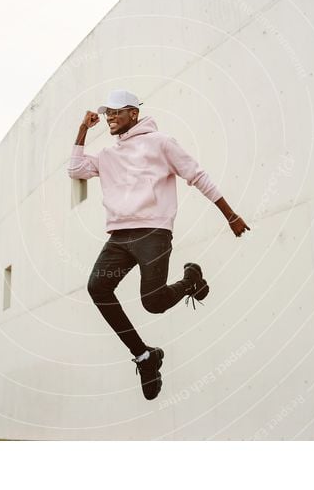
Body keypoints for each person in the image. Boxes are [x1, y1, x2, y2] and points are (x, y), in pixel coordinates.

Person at [67, 90, 250, 400]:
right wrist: (83, 129)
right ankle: (145, 356)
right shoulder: (108, 156)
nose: (110, 116)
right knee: (97, 287)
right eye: (107, 112)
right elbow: (75, 170)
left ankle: (191, 279)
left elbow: (197, 175)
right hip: (119, 238)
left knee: (153, 303)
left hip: (153, 233)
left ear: (133, 114)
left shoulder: (161, 143)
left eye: (117, 111)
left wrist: (230, 215)